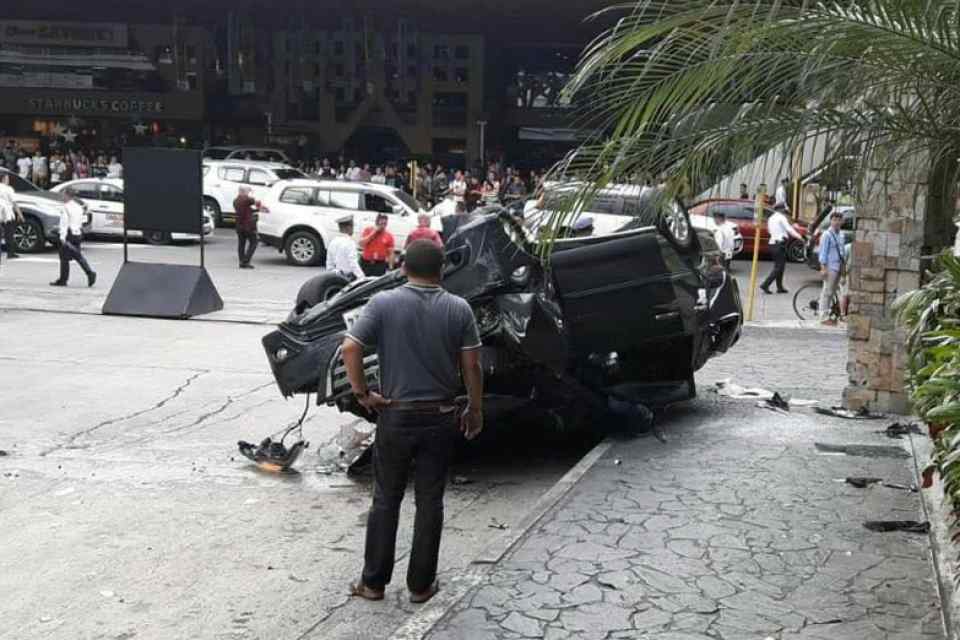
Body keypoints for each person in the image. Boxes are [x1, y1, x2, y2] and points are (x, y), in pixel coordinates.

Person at [343, 239, 483, 604]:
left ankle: (373, 584)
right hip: (440, 417)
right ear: (442, 271)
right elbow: (472, 365)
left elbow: (350, 347)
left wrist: (362, 394)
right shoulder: (459, 308)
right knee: (430, 501)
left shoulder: (384, 303)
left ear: (404, 268)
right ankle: (420, 586)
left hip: (395, 415)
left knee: (386, 499)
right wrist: (475, 408)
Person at [50, 189, 96, 287]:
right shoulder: (78, 207)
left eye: (63, 195)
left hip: (69, 234)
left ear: (67, 196)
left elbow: (64, 223)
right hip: (77, 233)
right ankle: (89, 273)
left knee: (64, 257)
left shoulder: (66, 207)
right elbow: (82, 221)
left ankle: (64, 280)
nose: (62, 197)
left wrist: (62, 236)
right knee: (77, 256)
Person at [760, 203, 803, 294]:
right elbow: (789, 229)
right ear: (781, 209)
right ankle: (765, 284)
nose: (785, 211)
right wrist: (800, 237)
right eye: (784, 209)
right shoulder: (781, 217)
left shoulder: (771, 218)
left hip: (772, 244)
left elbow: (769, 231)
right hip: (779, 244)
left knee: (780, 266)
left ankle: (780, 287)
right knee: (779, 267)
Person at [817, 211, 846, 325]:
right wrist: (823, 268)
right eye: (834, 220)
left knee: (833, 292)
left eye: (839, 220)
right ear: (831, 221)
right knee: (827, 292)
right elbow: (823, 253)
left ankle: (829, 314)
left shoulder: (841, 234)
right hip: (830, 267)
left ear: (842, 221)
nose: (837, 222)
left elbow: (842, 252)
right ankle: (823, 317)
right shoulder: (827, 235)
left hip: (838, 266)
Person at [326, 215, 365, 280]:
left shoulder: (333, 242)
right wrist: (362, 277)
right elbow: (353, 263)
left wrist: (335, 272)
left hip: (334, 277)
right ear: (348, 228)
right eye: (352, 226)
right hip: (348, 278)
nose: (353, 229)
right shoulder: (350, 242)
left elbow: (329, 264)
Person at [233, 186, 260, 269]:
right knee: (254, 242)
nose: (248, 193)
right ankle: (246, 261)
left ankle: (241, 261)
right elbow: (256, 202)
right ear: (244, 192)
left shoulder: (235, 201)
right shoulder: (247, 200)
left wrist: (253, 211)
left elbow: (245, 210)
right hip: (248, 226)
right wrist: (251, 192)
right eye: (247, 191)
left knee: (241, 244)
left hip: (239, 225)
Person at [0, 174, 22, 262]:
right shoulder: (8, 189)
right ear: (4, 179)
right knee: (9, 233)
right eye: (7, 178)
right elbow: (14, 203)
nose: (8, 180)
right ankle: (10, 253)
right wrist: (20, 214)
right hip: (7, 213)